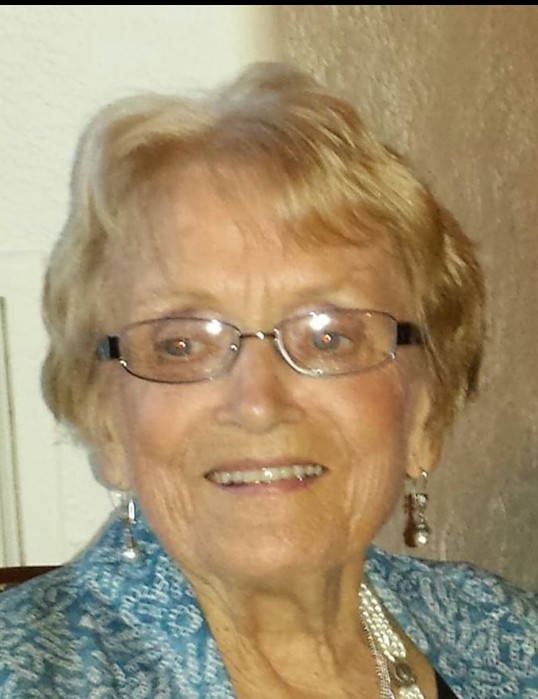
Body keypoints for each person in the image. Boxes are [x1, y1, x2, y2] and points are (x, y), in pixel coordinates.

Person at [0, 61, 536, 699]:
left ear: (426, 412)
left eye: (329, 336)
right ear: (108, 425)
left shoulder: (508, 633)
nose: (257, 403)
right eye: (181, 344)